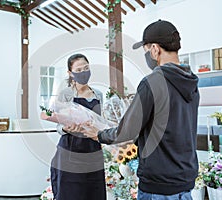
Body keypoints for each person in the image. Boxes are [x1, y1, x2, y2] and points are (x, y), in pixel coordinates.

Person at [80, 20, 200, 200]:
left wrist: (99, 134)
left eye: (145, 51)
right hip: (185, 180)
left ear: (155, 50)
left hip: (159, 185)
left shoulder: (153, 82)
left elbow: (128, 129)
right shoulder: (191, 82)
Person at [50, 53, 106, 200]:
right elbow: (58, 125)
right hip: (70, 151)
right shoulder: (65, 95)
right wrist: (66, 129)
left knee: (93, 192)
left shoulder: (98, 94)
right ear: (70, 73)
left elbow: (101, 121)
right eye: (79, 70)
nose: (83, 73)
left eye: (86, 68)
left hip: (92, 149)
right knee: (71, 193)